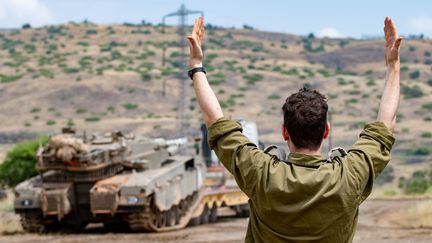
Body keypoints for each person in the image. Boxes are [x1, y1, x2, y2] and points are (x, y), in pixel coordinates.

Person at [187, 16, 402, 243]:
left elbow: (215, 121)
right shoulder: (349, 175)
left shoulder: (262, 174)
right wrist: (393, 65)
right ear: (326, 130)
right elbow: (386, 123)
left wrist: (196, 66)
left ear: (284, 132)